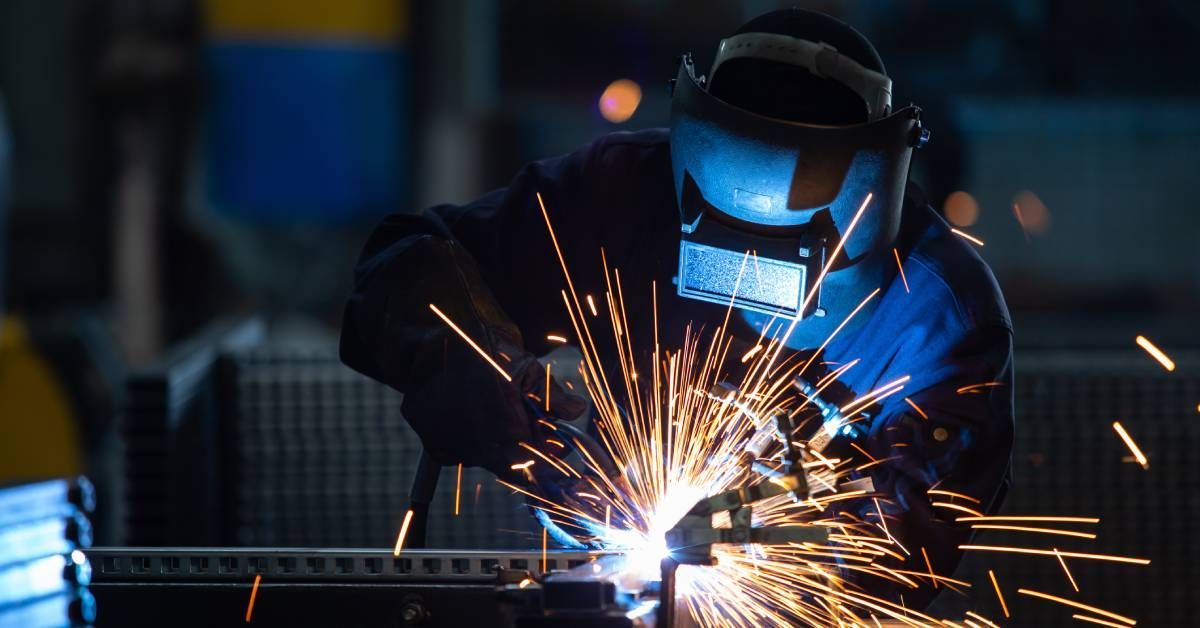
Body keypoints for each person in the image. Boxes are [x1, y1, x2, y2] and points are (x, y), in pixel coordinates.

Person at [340, 8, 1013, 611]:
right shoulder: (618, 195)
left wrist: (769, 520)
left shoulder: (939, 317)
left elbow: (912, 542)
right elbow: (402, 262)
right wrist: (476, 367)